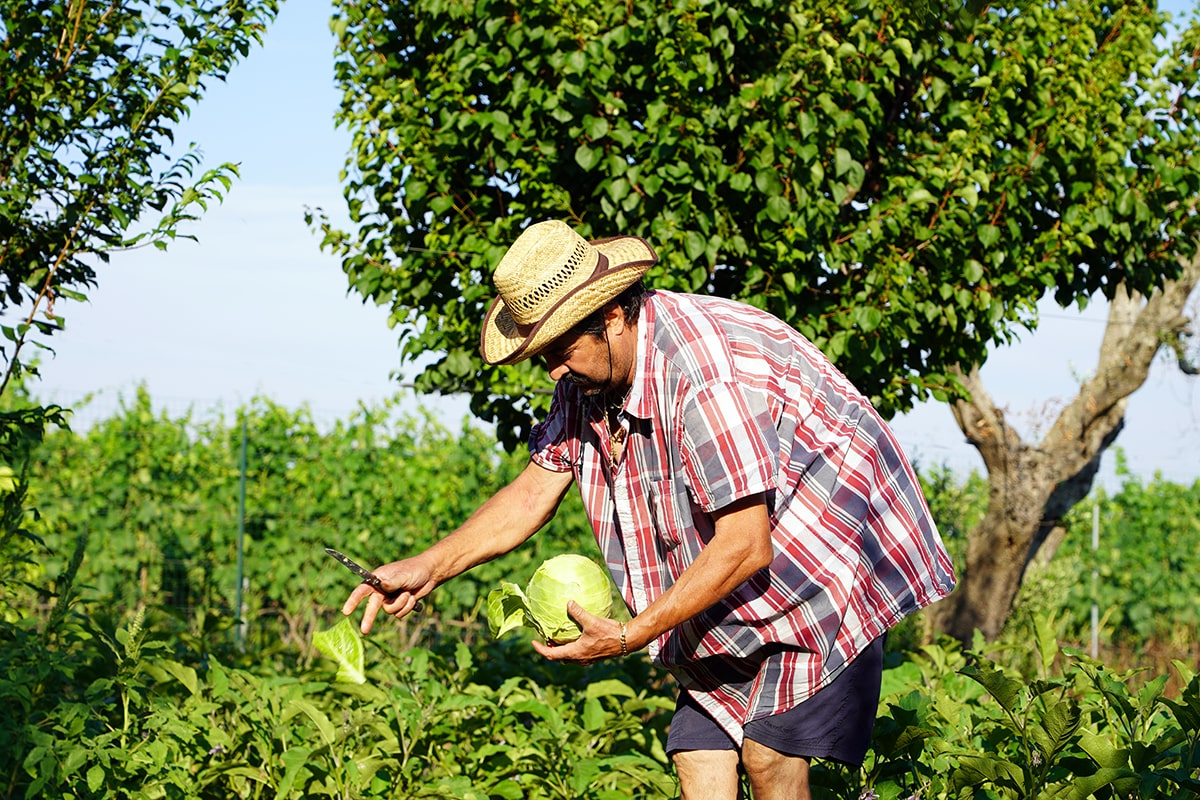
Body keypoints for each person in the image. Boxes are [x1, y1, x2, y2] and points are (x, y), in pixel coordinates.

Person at [342, 219, 957, 800]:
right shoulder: (587, 379)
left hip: (828, 551)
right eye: (542, 355)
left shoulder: (703, 375)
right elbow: (536, 487)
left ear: (611, 314)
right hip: (739, 575)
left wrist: (632, 634)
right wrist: (430, 566)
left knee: (770, 757)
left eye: (560, 349)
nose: (553, 369)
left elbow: (746, 543)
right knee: (698, 754)